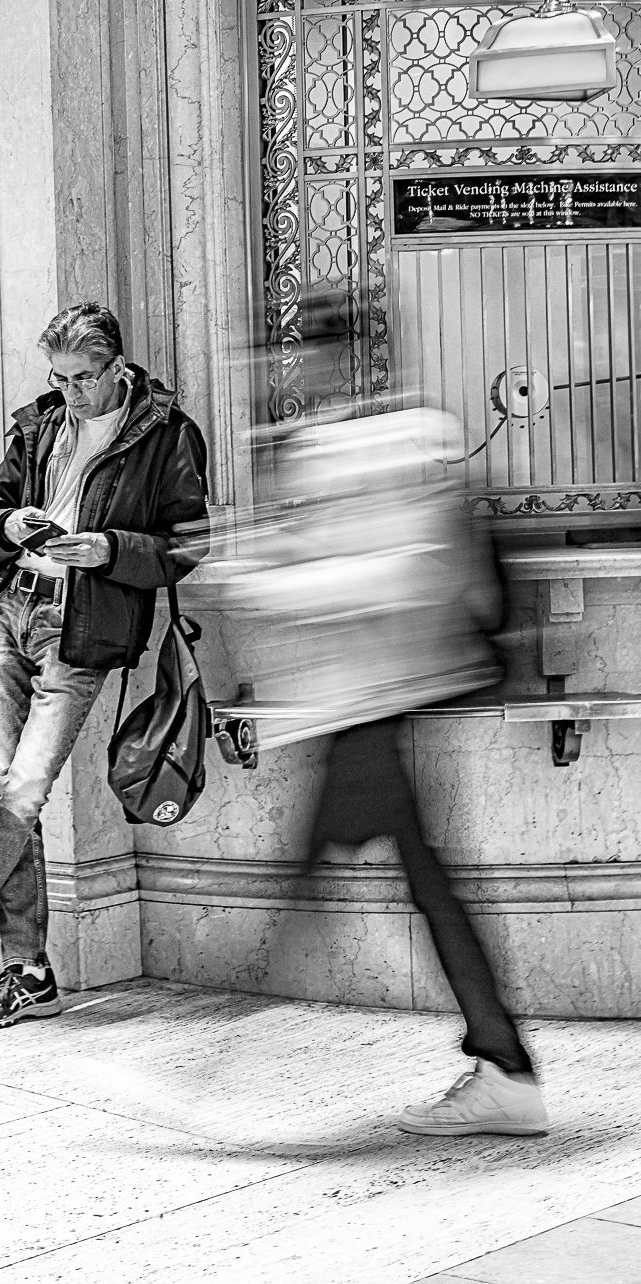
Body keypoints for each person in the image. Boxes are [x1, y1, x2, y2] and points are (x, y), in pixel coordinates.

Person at [269, 286, 549, 1137]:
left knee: (322, 881)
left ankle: (225, 1063)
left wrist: (284, 585)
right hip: (371, 699)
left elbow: (408, 573)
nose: (308, 365)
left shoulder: (385, 443)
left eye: (317, 349)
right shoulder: (358, 441)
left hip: (380, 699)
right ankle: (504, 1064)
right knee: (420, 878)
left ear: (344, 355)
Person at [0, 301, 208, 1030]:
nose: (71, 391)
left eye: (83, 377)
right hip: (10, 611)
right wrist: (10, 525)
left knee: (21, 790)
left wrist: (109, 550)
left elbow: (189, 544)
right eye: (60, 376)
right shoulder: (41, 424)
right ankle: (28, 972)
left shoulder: (167, 433)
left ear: (117, 368)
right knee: (2, 792)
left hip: (81, 629)